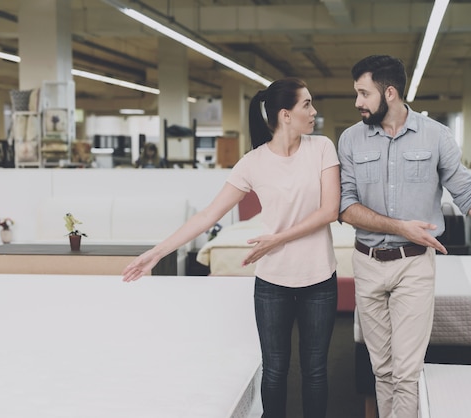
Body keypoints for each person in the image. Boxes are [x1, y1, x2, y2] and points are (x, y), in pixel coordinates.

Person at [337, 55, 471, 418]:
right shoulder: (350, 140)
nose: (358, 102)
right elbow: (345, 206)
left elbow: (468, 194)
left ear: (389, 92)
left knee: (406, 373)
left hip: (414, 266)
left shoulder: (435, 136)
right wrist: (399, 225)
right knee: (383, 370)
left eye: (364, 93)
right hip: (367, 262)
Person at [121, 77, 341, 418]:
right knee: (274, 370)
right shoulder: (253, 162)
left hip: (319, 278)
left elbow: (329, 211)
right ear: (285, 114)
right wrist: (157, 252)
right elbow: (209, 214)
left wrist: (278, 238)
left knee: (314, 371)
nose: (313, 111)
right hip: (273, 283)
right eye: (307, 105)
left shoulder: (323, 148)